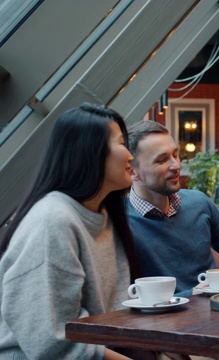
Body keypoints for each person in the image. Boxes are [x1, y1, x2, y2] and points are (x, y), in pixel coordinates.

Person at [0, 104, 138, 359]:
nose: (130, 156)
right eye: (121, 143)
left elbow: (113, 317)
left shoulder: (103, 216)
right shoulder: (53, 220)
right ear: (89, 151)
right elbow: (51, 343)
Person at [126, 120, 219, 297]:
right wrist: (191, 295)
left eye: (175, 155)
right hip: (158, 322)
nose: (176, 166)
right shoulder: (119, 221)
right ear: (132, 171)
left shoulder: (199, 203)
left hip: (216, 315)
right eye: (161, 160)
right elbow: (129, 298)